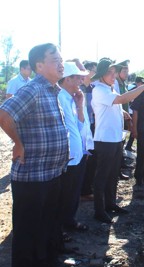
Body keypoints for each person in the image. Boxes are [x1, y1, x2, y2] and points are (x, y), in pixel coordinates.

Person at [0, 43, 68, 267]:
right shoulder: (34, 89)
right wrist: (18, 143)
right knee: (28, 234)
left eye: (61, 58)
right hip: (32, 177)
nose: (61, 63)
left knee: (47, 227)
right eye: (54, 59)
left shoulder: (53, 90)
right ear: (39, 66)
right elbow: (4, 114)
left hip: (52, 174)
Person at [91, 58, 144, 223]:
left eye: (115, 73)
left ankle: (111, 204)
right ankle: (99, 210)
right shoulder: (99, 90)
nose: (113, 76)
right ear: (101, 74)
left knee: (113, 175)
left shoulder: (109, 88)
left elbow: (114, 105)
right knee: (102, 176)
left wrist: (122, 113)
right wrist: (143, 87)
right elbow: (122, 99)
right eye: (110, 73)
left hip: (115, 139)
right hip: (104, 140)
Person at [57, 62, 93, 240]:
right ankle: (59, 229)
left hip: (78, 153)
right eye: (78, 77)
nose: (81, 80)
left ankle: (69, 220)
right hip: (65, 156)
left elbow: (80, 125)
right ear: (68, 78)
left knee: (73, 193)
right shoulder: (59, 97)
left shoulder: (75, 98)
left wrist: (79, 106)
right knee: (63, 195)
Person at [80, 61, 98, 200]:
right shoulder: (78, 89)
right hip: (81, 128)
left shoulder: (93, 88)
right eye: (93, 70)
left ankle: (87, 187)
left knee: (92, 158)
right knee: (83, 159)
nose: (95, 73)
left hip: (93, 126)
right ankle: (83, 191)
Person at [125, 76, 144, 151]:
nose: (142, 84)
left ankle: (129, 145)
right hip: (131, 113)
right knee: (132, 129)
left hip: (134, 112)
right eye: (141, 83)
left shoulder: (139, 91)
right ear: (137, 83)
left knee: (133, 129)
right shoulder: (133, 91)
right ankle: (128, 146)